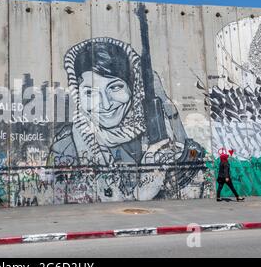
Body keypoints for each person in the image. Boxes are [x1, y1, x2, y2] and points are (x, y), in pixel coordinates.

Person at [47, 37, 205, 199]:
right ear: (77, 94)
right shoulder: (64, 149)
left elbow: (193, 193)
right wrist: (145, 188)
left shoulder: (161, 137)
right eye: (90, 92)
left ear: (133, 88)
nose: (106, 104)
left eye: (115, 87)